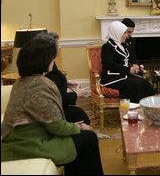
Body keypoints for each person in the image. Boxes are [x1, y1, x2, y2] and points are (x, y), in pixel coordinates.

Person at [1, 33, 103, 175]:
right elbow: (57, 127)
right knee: (89, 138)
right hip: (28, 144)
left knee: (81, 131)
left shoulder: (24, 80)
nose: (54, 60)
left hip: (25, 136)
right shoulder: (39, 87)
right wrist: (80, 126)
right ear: (43, 60)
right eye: (52, 57)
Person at [100, 21, 155, 103]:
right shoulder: (107, 47)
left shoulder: (123, 45)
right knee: (137, 84)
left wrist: (135, 67)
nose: (127, 35)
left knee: (145, 83)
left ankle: (149, 107)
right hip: (111, 77)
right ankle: (134, 108)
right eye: (124, 33)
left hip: (124, 75)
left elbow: (131, 58)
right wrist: (129, 70)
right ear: (117, 33)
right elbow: (110, 64)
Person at [44, 32, 90, 125]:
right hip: (53, 112)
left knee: (80, 114)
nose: (60, 47)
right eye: (58, 45)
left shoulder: (50, 61)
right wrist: (77, 94)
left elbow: (55, 80)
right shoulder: (46, 66)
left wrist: (67, 83)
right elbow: (58, 99)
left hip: (58, 107)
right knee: (79, 115)